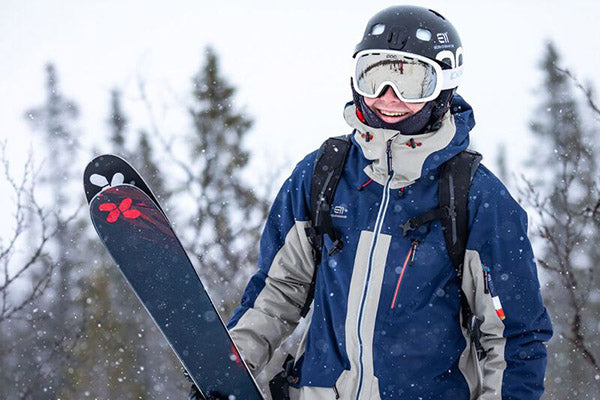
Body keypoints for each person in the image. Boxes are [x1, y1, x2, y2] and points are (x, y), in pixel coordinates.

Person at [226, 5, 553, 400]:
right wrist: (227, 370)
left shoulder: (476, 197)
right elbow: (277, 291)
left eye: (410, 81)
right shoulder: (323, 174)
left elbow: (514, 337)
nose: (388, 98)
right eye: (374, 75)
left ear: (444, 86)